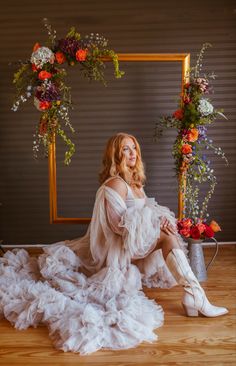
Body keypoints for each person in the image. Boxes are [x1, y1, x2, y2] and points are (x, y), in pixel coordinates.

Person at [0, 132, 228, 355]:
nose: (132, 153)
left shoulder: (136, 184)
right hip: (119, 250)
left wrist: (161, 220)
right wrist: (155, 224)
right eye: (125, 150)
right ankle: (196, 297)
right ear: (115, 156)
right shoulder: (115, 184)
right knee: (167, 236)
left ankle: (194, 295)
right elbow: (117, 226)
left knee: (168, 233)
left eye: (134, 148)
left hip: (132, 246)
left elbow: (145, 214)